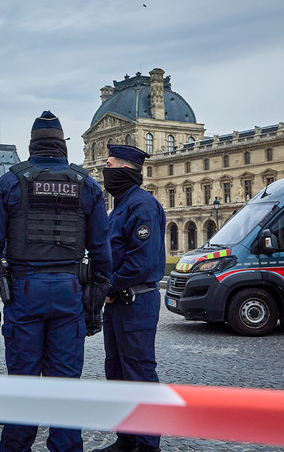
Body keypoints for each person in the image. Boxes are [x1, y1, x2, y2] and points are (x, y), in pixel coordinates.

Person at [0, 111, 112, 452]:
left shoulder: (10, 183)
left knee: (23, 388)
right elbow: (101, 253)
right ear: (62, 145)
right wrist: (94, 307)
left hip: (24, 292)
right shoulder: (87, 185)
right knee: (65, 389)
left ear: (31, 146)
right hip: (69, 291)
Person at [94, 145, 166, 452]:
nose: (104, 171)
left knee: (139, 372)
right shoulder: (121, 206)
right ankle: (126, 439)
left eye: (109, 165)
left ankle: (147, 445)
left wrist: (109, 286)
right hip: (119, 303)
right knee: (117, 371)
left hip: (135, 302)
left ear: (125, 170)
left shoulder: (142, 206)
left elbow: (142, 262)